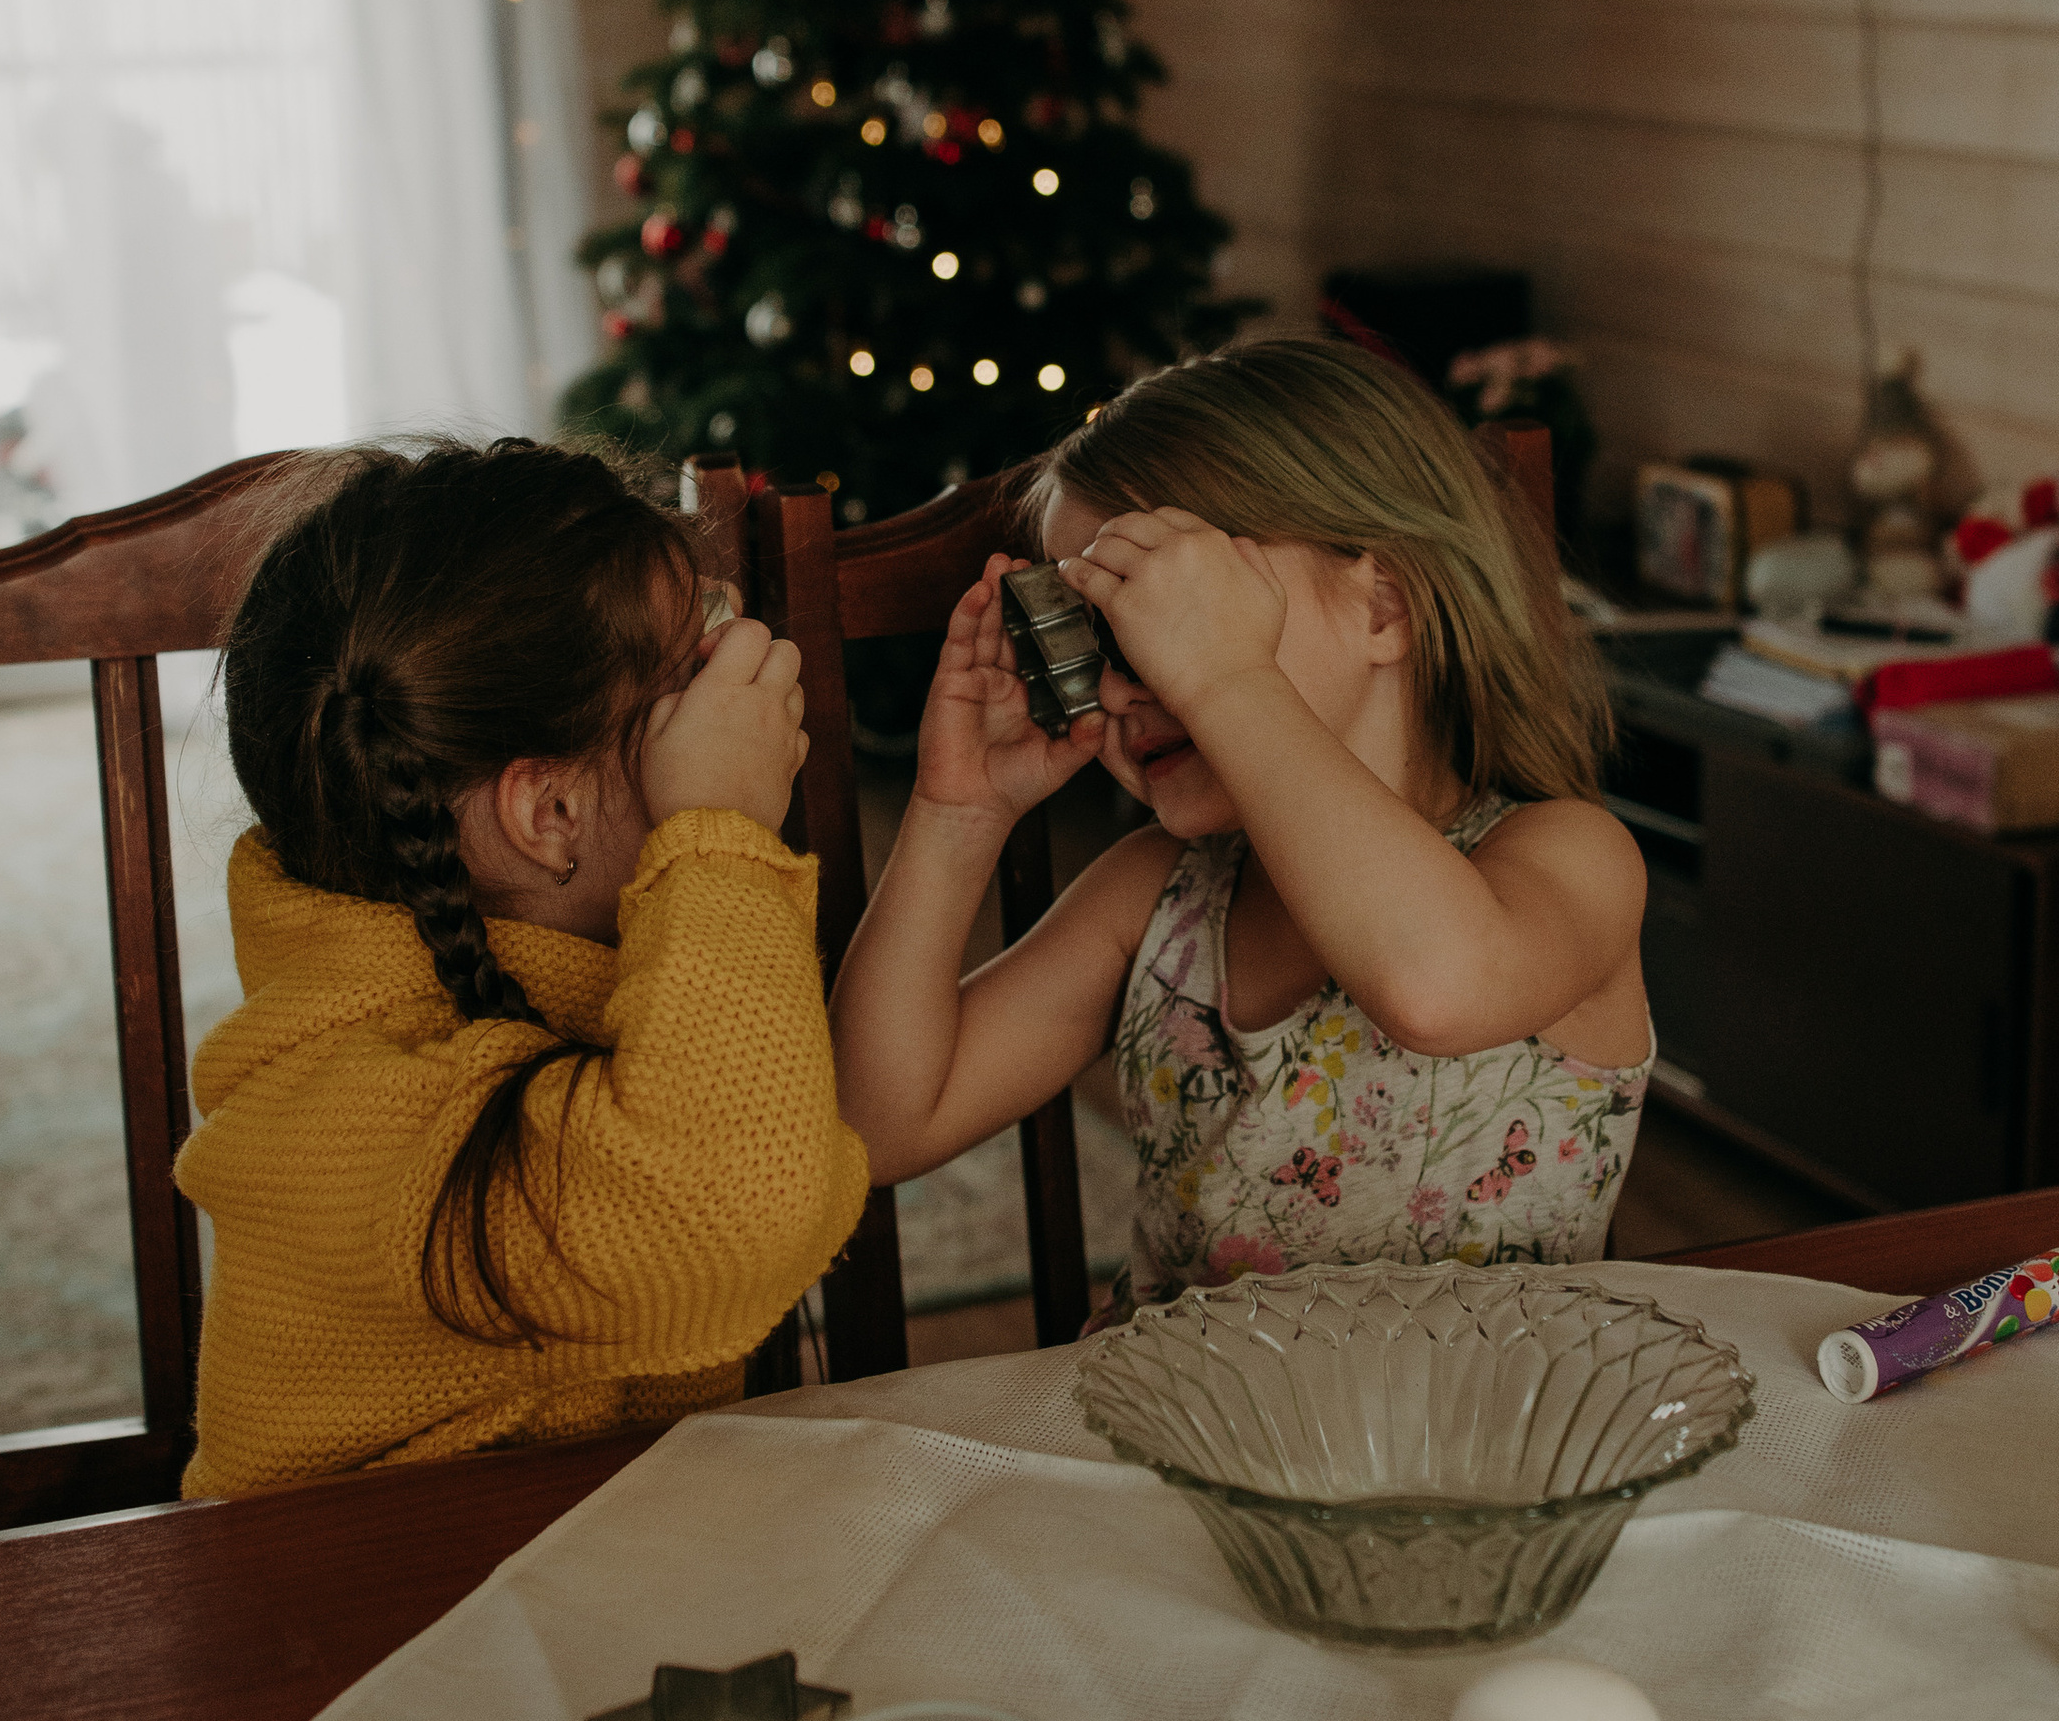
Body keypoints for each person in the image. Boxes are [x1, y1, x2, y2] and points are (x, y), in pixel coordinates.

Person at [831, 335, 1652, 1308]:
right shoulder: (1157, 898)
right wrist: (957, 813)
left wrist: (1225, 678)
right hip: (1180, 1404)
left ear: (1384, 605)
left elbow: (1434, 989)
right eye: (1085, 637)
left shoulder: (1569, 857)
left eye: (1172, 615)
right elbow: (878, 1127)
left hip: (1480, 1406)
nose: (1120, 683)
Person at [179, 437, 868, 1496]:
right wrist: (724, 830)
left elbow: (835, 1119)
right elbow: (747, 1205)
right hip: (369, 1591)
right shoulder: (353, 1122)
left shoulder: (557, 966)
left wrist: (958, 811)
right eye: (696, 665)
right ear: (550, 812)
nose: (743, 661)